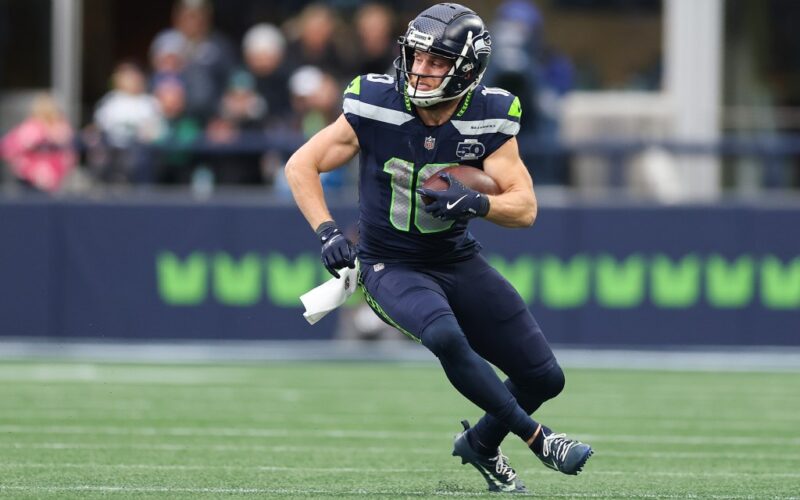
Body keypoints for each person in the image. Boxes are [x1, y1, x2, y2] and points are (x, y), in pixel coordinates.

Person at [284, 3, 592, 494]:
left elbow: (525, 208)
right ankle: (539, 439)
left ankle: (481, 444)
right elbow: (301, 165)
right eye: (417, 56)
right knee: (446, 336)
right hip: (390, 264)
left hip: (455, 258)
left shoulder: (489, 114)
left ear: (466, 69)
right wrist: (327, 231)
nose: (420, 69)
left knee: (543, 377)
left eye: (436, 61)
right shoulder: (376, 101)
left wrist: (476, 202)